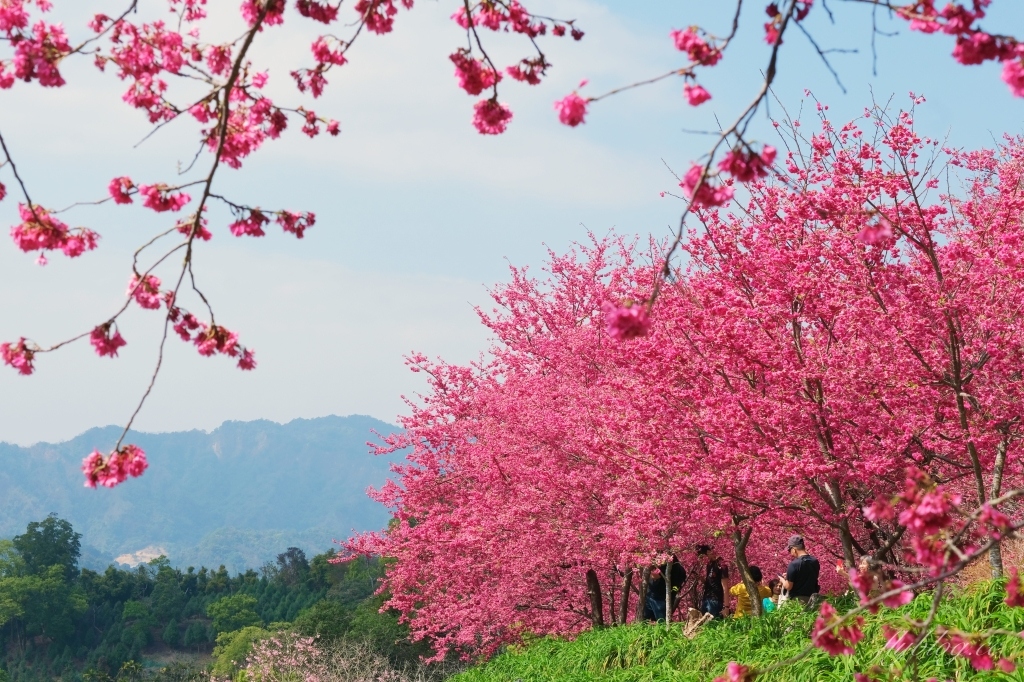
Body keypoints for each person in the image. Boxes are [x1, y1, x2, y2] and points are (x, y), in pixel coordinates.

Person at [643, 555, 686, 622]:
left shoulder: (667, 566)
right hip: (665, 597)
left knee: (660, 622)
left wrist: (647, 566)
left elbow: (655, 576)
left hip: (658, 598)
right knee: (658, 622)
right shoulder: (681, 569)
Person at [781, 535, 820, 604]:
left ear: (793, 549)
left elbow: (788, 586)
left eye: (789, 550)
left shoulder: (793, 564)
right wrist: (790, 576)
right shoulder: (815, 561)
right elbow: (807, 575)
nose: (790, 553)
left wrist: (783, 580)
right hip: (813, 600)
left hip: (798, 601)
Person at [697, 544, 731, 618]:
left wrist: (726, 607)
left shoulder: (722, 565)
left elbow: (725, 587)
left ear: (709, 552)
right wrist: (700, 578)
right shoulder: (709, 565)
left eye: (703, 556)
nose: (703, 559)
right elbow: (709, 582)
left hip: (715, 600)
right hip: (706, 598)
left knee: (711, 624)